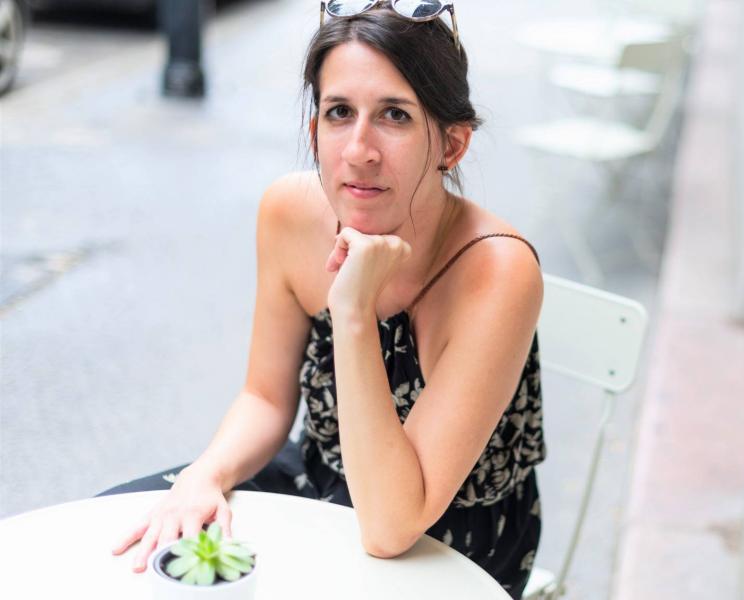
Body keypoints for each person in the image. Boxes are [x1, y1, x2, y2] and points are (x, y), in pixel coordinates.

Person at [101, 2, 547, 598]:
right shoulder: (290, 212)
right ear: (314, 130)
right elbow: (265, 397)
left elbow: (391, 525)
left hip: (446, 539)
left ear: (452, 144)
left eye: (394, 115)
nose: (358, 150)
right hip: (318, 482)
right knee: (119, 540)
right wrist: (204, 475)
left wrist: (354, 311)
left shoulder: (498, 271)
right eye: (340, 112)